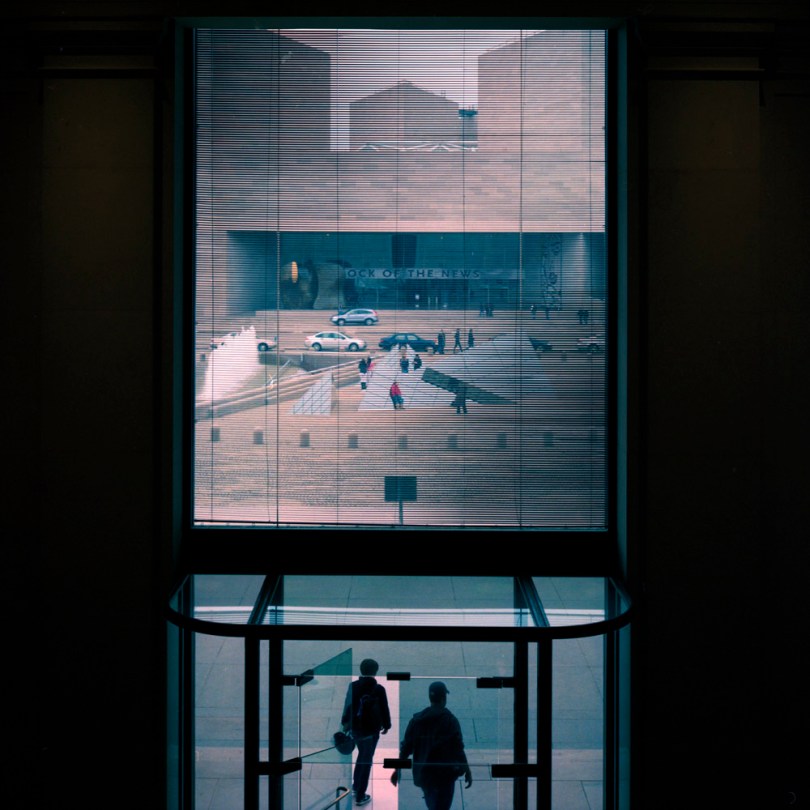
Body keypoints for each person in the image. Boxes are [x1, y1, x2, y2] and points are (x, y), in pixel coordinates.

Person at [390, 681, 472, 810]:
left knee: (432, 804)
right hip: (446, 773)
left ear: (430, 698)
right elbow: (458, 749)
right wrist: (467, 770)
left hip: (425, 773)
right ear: (444, 698)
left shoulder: (416, 721)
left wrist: (397, 770)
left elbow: (406, 748)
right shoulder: (450, 721)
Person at [341, 658, 392, 806]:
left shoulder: (353, 686)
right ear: (375, 672)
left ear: (361, 670)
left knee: (361, 757)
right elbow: (384, 708)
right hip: (371, 731)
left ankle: (357, 787)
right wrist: (387, 725)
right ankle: (360, 794)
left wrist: (345, 723)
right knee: (366, 760)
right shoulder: (379, 689)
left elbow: (347, 705)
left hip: (356, 729)